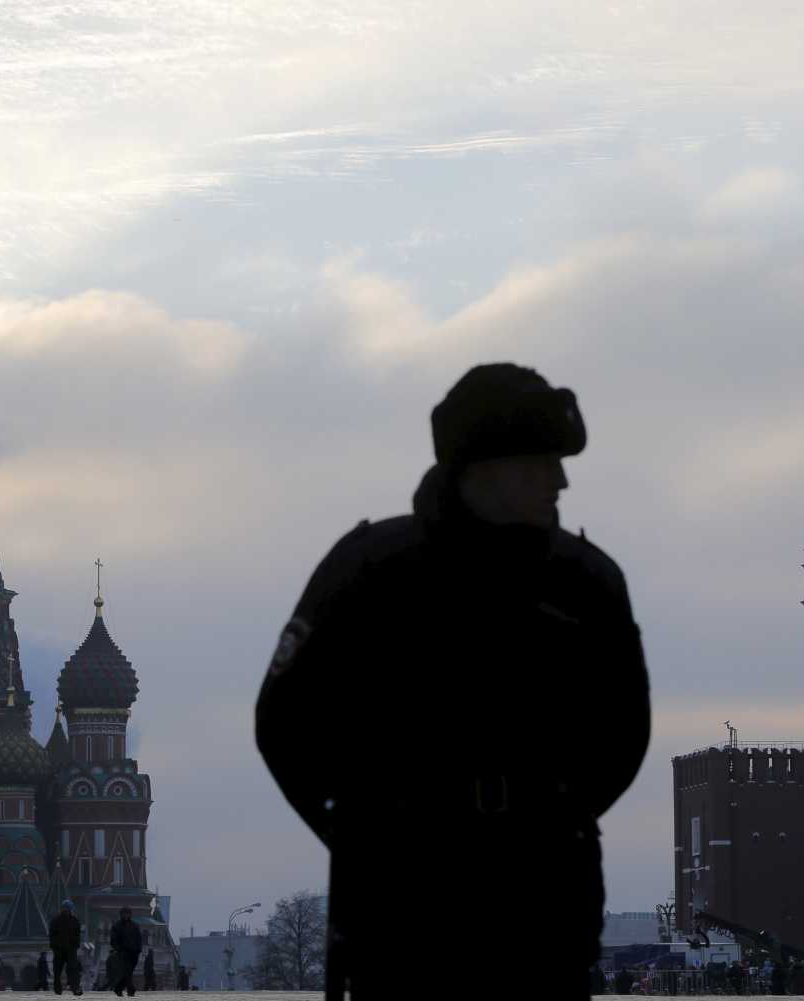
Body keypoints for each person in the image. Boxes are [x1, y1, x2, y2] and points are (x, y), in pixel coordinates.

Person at [255, 363, 652, 1000]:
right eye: (540, 462)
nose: (562, 480)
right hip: (401, 918)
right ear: (484, 468)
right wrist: (368, 833)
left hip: (542, 913)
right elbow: (283, 722)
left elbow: (623, 737)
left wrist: (545, 819)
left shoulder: (587, 583)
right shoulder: (367, 572)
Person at [48, 901, 82, 996]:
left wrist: (76, 946)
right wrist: (54, 947)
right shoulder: (56, 921)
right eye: (64, 908)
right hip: (59, 949)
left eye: (67, 908)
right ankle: (58, 989)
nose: (66, 910)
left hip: (71, 949)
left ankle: (75, 988)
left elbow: (77, 935)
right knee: (57, 971)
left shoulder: (74, 920)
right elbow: (52, 935)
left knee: (73, 970)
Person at [108, 909, 141, 997]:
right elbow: (113, 940)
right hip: (123, 953)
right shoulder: (117, 926)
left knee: (128, 972)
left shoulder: (134, 926)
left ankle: (118, 988)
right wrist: (119, 949)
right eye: (124, 914)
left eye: (127, 914)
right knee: (127, 971)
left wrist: (139, 949)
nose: (126, 916)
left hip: (134, 953)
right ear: (121, 915)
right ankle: (131, 990)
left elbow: (139, 938)